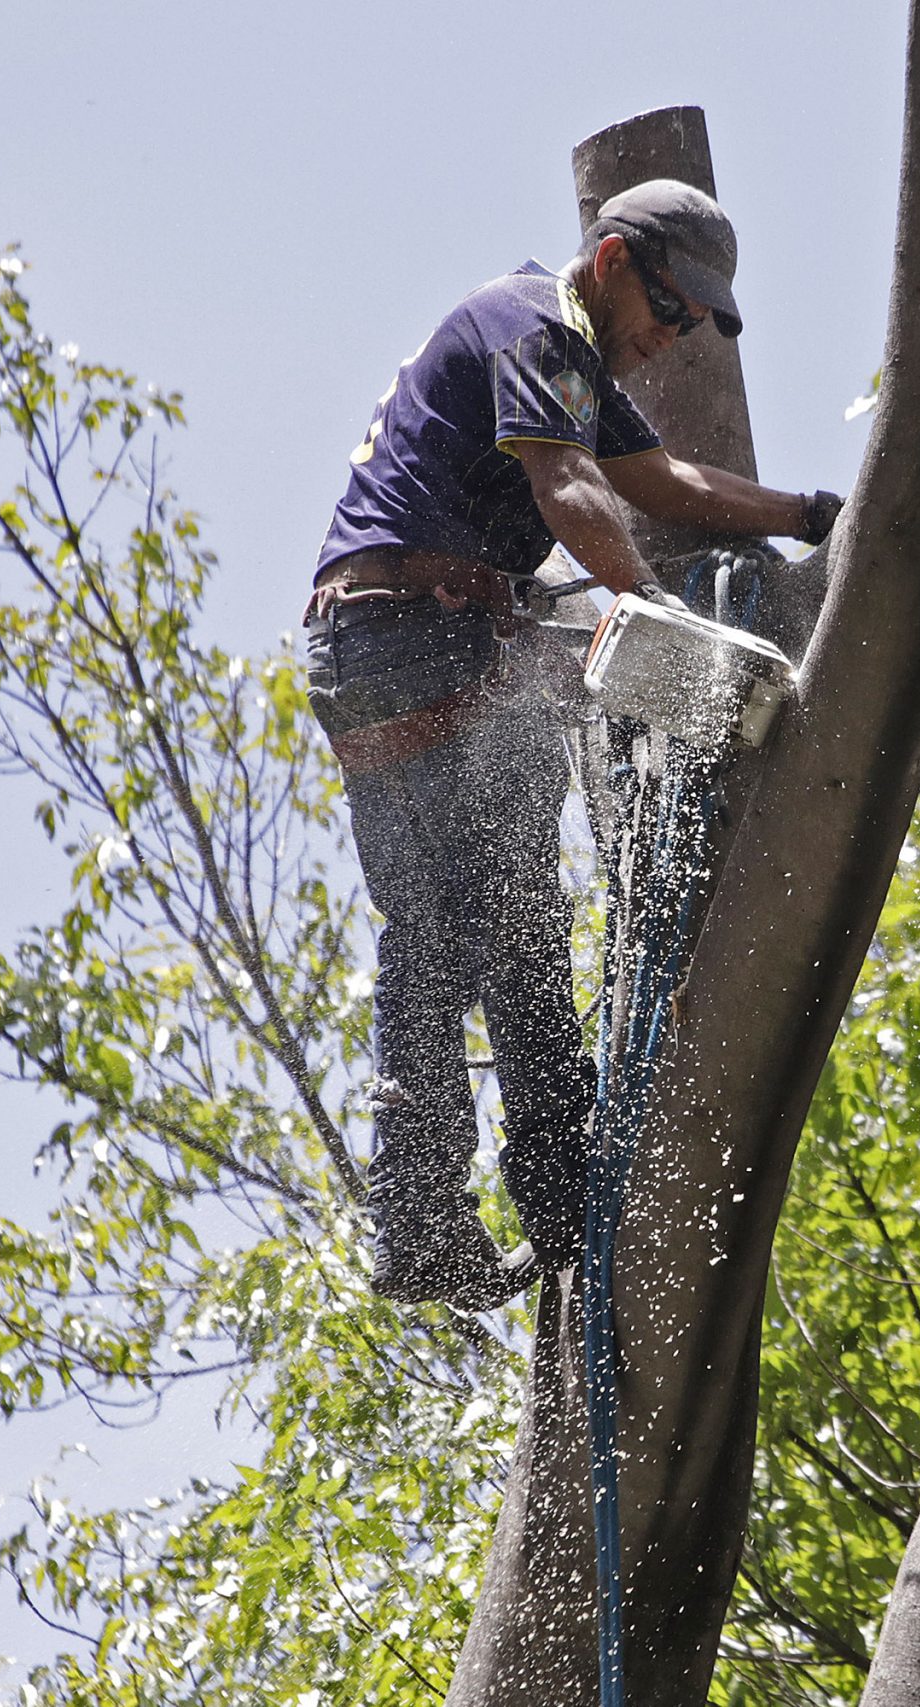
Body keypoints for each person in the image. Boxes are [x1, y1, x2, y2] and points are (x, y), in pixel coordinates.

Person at [301, 179, 843, 1310]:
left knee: (515, 916)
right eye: (670, 307)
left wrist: (803, 514)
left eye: (694, 323)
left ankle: (545, 1195)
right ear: (609, 261)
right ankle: (425, 1214)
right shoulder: (535, 322)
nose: (674, 333)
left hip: (412, 642)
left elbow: (658, 480)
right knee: (454, 924)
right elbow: (571, 486)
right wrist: (658, 616)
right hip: (406, 640)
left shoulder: (570, 363)